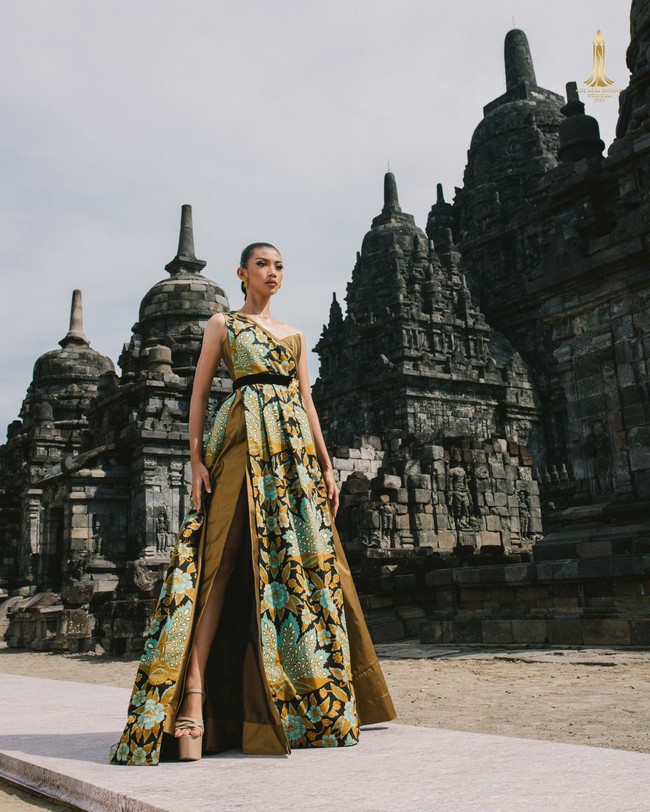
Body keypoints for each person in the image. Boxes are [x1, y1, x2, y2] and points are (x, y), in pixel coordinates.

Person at [110, 243, 396, 766]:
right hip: (241, 439)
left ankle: (305, 700)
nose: (273, 273)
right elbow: (199, 394)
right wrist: (195, 460)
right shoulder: (224, 324)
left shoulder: (295, 335)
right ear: (242, 274)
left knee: (301, 566)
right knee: (220, 559)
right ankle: (192, 690)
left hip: (292, 453)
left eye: (280, 265)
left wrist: (328, 465)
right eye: (263, 264)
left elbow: (307, 400)